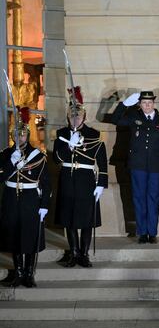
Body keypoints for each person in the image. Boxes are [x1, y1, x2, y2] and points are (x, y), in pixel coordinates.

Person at [53, 86, 108, 267]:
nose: (75, 119)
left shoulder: (94, 135)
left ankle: (84, 254)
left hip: (86, 181)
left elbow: (102, 162)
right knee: (69, 220)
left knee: (86, 219)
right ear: (68, 117)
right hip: (68, 179)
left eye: (78, 116)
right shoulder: (62, 134)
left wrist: (101, 184)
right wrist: (69, 146)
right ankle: (74, 254)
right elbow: (56, 159)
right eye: (72, 116)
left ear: (84, 117)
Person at [111, 91, 159, 244]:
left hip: (156, 166)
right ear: (139, 104)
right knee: (139, 199)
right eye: (144, 102)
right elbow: (115, 120)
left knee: (153, 199)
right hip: (137, 165)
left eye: (150, 102)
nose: (147, 105)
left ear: (154, 103)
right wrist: (124, 104)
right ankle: (142, 233)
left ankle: (152, 232)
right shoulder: (134, 118)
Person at [0, 107, 51, 287]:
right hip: (11, 199)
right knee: (14, 236)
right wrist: (11, 164)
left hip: (31, 199)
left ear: (27, 135)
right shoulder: (6, 154)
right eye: (17, 134)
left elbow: (46, 182)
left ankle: (29, 274)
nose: (20, 137)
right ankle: (18, 272)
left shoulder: (38, 155)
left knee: (30, 236)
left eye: (22, 134)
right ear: (13, 136)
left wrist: (44, 205)